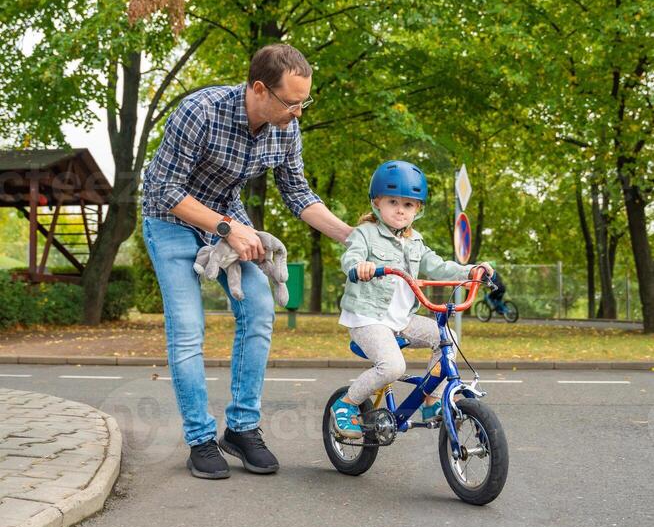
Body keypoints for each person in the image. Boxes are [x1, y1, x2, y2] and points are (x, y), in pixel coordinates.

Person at [141, 44, 352, 479]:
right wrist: (227, 227)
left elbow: (298, 194)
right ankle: (201, 439)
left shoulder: (285, 128)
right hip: (171, 219)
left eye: (304, 101)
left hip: (226, 219)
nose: (298, 112)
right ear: (259, 90)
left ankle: (241, 429)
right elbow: (163, 189)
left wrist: (353, 236)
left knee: (258, 308)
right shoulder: (200, 112)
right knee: (187, 328)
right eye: (291, 102)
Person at [331, 160, 492, 438]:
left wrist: (471, 270)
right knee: (393, 366)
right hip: (368, 318)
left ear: (418, 209)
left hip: (401, 320)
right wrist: (360, 266)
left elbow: (439, 266)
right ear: (377, 203)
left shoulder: (415, 240)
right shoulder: (365, 234)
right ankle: (345, 404)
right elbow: (351, 257)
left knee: (447, 339)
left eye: (408, 205)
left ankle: (431, 400)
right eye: (393, 201)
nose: (400, 210)